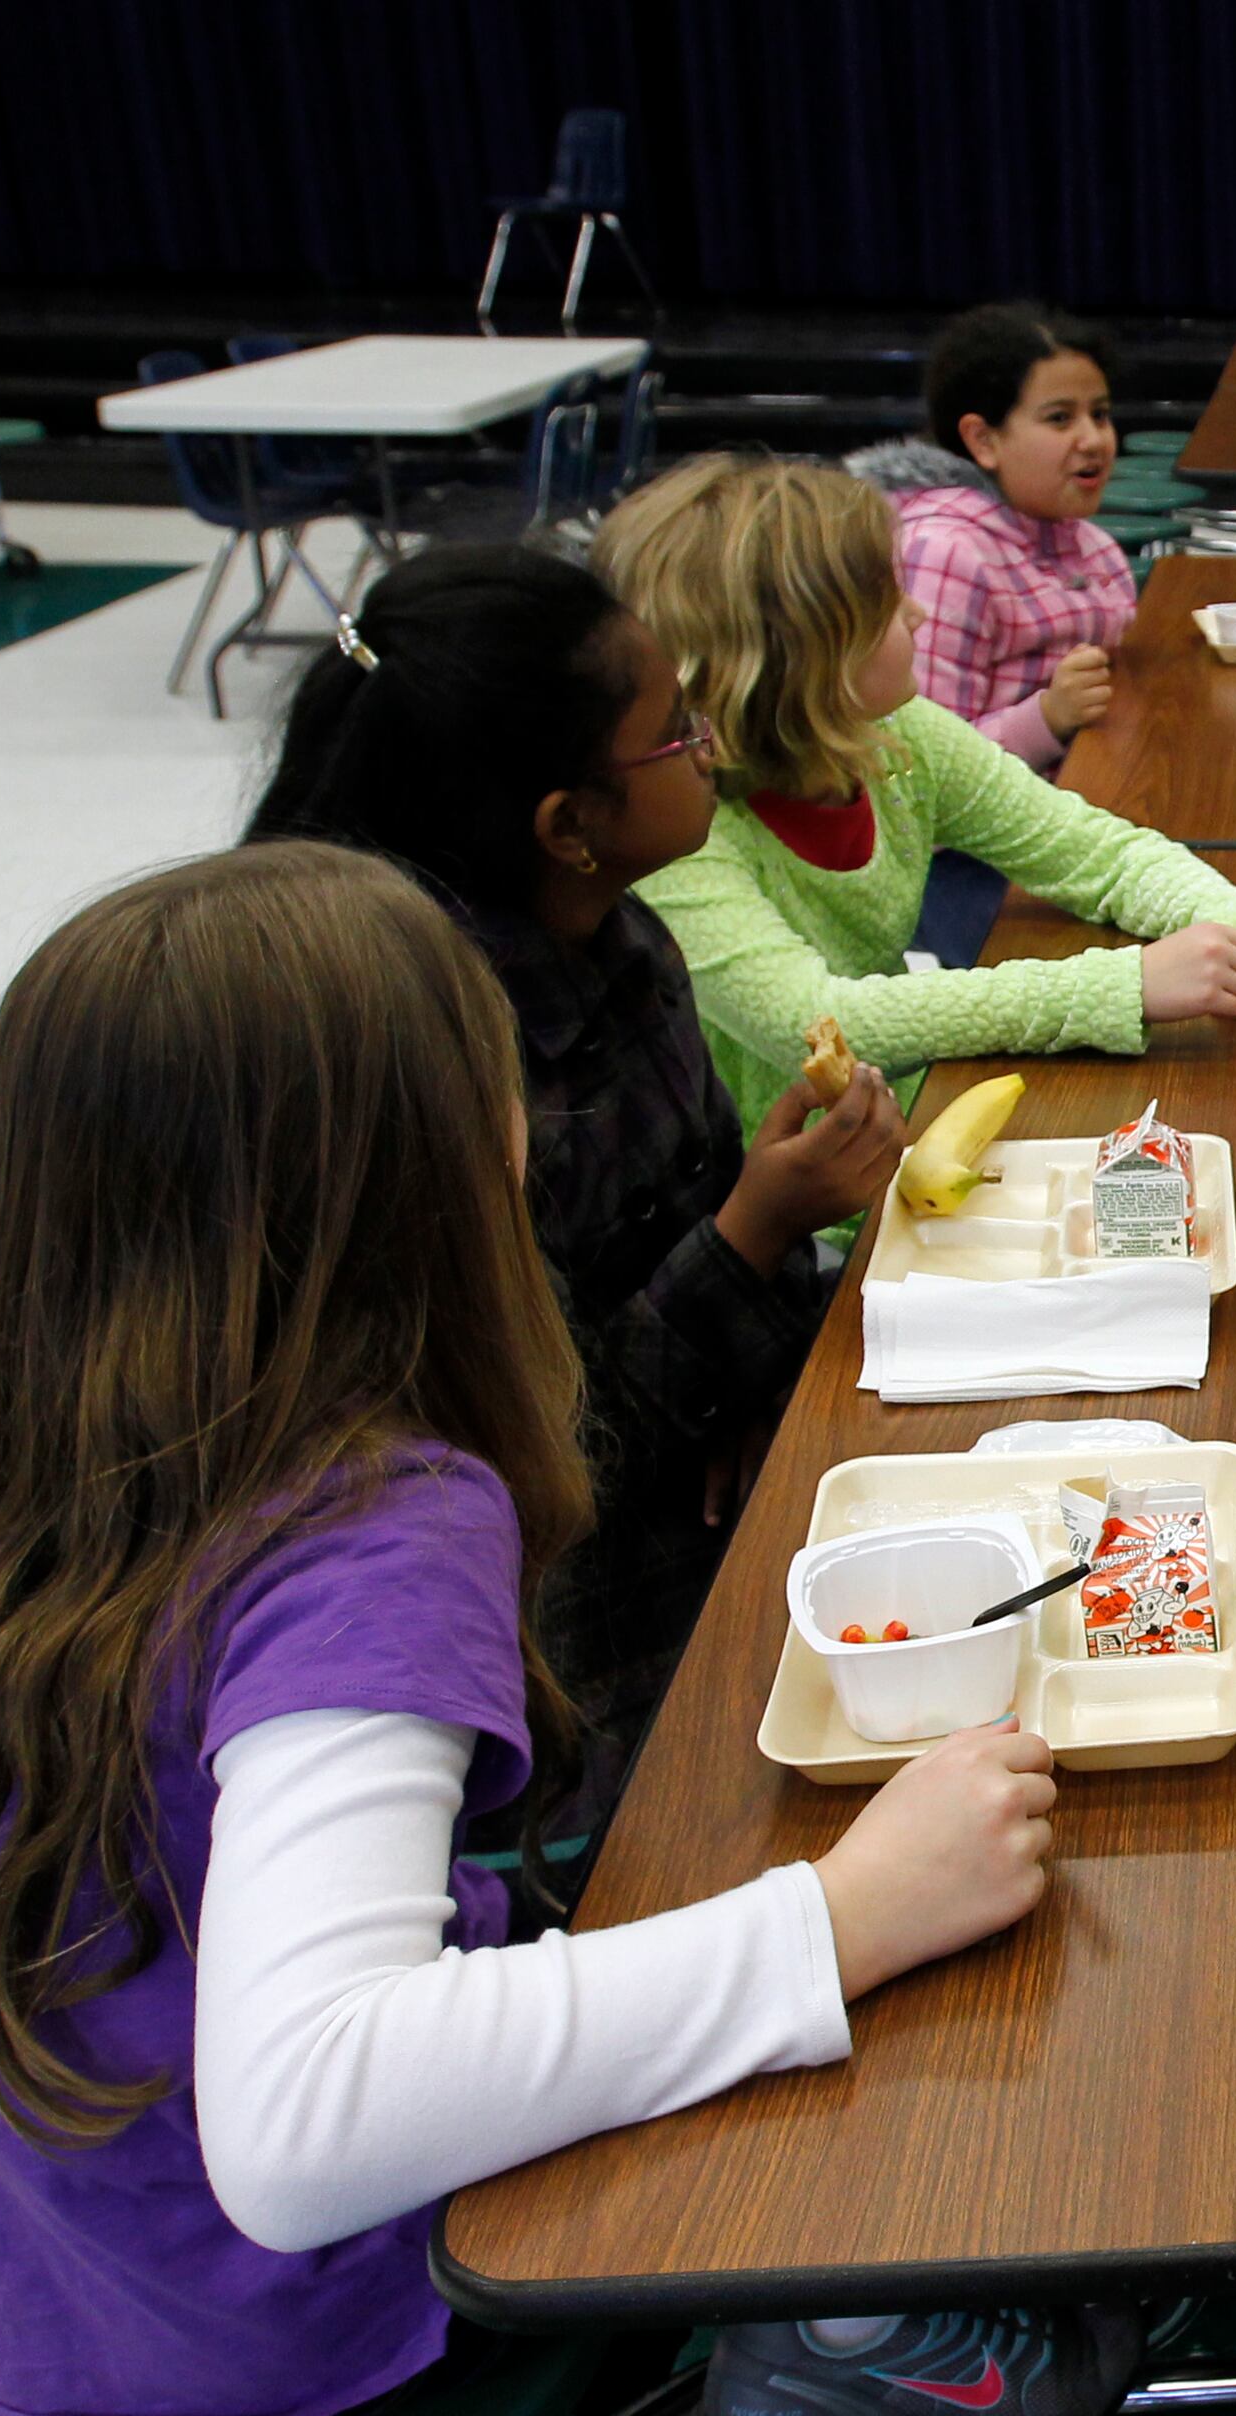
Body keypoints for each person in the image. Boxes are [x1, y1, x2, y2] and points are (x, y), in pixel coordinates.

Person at [0, 845, 1131, 2416]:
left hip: (87, 2321)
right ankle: (827, 2354)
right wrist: (838, 1919)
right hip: (325, 2357)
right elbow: (307, 2119)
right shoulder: (371, 1517)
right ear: (443, 1161)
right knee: (980, 2057)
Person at [245, 545, 898, 1805]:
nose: (709, 745)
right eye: (673, 732)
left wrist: (744, 1363)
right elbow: (540, 1457)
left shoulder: (618, 937)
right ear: (569, 824)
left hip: (685, 1477)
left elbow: (677, 1267)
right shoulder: (436, 1077)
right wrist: (759, 1230)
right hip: (570, 1635)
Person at [595, 453, 1236, 1125]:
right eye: (887, 601)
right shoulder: (683, 838)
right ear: (802, 659)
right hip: (782, 1198)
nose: (917, 613)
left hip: (891, 1122)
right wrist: (1123, 986)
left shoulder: (900, 737)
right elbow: (818, 1026)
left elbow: (1097, 851)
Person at [846, 301, 1134, 776]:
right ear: (983, 440)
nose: (1094, 440)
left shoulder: (1096, 547)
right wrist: (1045, 719)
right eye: (1060, 419)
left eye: (1100, 415)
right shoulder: (946, 552)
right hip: (968, 845)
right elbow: (918, 762)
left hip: (1080, 798)